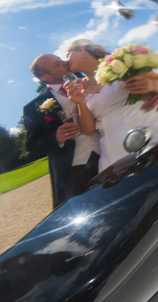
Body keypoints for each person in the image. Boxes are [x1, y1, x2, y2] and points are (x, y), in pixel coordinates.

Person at [63, 39, 158, 170]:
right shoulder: (79, 87)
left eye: (68, 55)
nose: (66, 61)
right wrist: (80, 102)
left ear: (81, 50)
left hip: (153, 127)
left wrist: (153, 85)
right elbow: (88, 130)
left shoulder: (120, 61)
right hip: (116, 148)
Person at [23, 53, 101, 208]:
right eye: (56, 64)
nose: (65, 62)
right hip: (74, 169)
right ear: (47, 77)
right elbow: (31, 145)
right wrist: (56, 138)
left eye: (61, 60)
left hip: (107, 149)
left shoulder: (87, 82)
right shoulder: (33, 107)